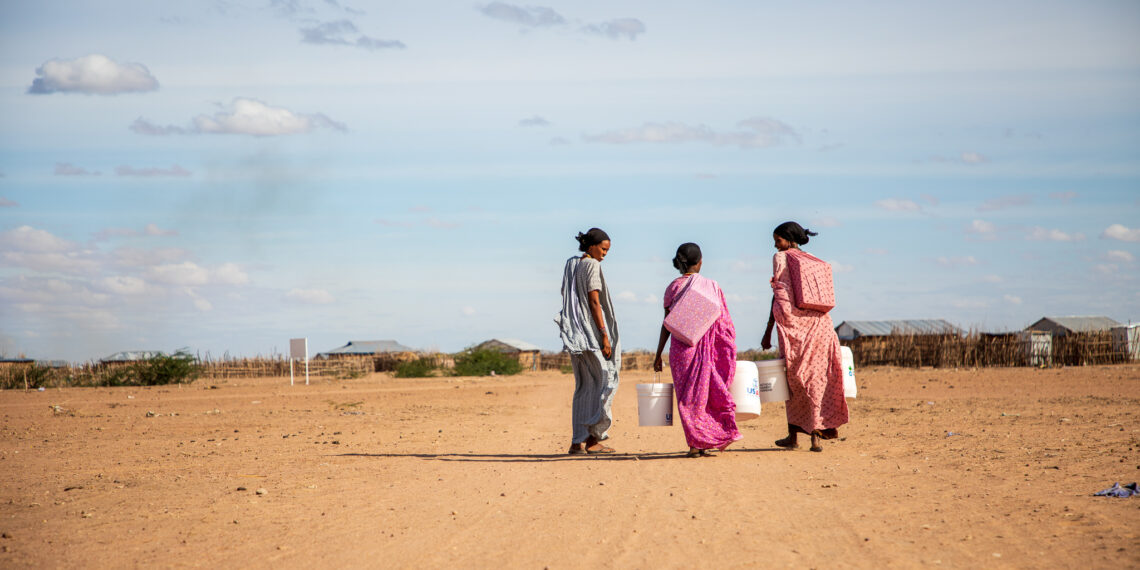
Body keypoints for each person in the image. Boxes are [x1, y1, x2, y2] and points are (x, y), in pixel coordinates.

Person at [761, 221, 848, 452]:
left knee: (794, 382)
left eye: (778, 240)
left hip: (795, 331)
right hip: (820, 327)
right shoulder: (811, 260)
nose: (775, 245)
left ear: (789, 240)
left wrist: (769, 328)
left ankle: (794, 436)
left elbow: (778, 295)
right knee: (817, 381)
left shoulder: (780, 258)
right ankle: (815, 437)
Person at [653, 243, 742, 457]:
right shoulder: (712, 286)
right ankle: (702, 441)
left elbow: (667, 324)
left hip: (681, 350)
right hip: (708, 350)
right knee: (704, 397)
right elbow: (724, 325)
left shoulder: (672, 287)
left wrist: (658, 355)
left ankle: (695, 444)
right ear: (700, 262)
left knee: (687, 399)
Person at [558, 228, 621, 455]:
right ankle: (593, 441)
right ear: (591, 246)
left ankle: (577, 442)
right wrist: (604, 333)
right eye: (603, 249)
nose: (604, 254)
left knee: (584, 387)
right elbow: (594, 301)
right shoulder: (592, 265)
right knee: (604, 382)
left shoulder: (571, 264)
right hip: (591, 334)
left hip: (575, 334)